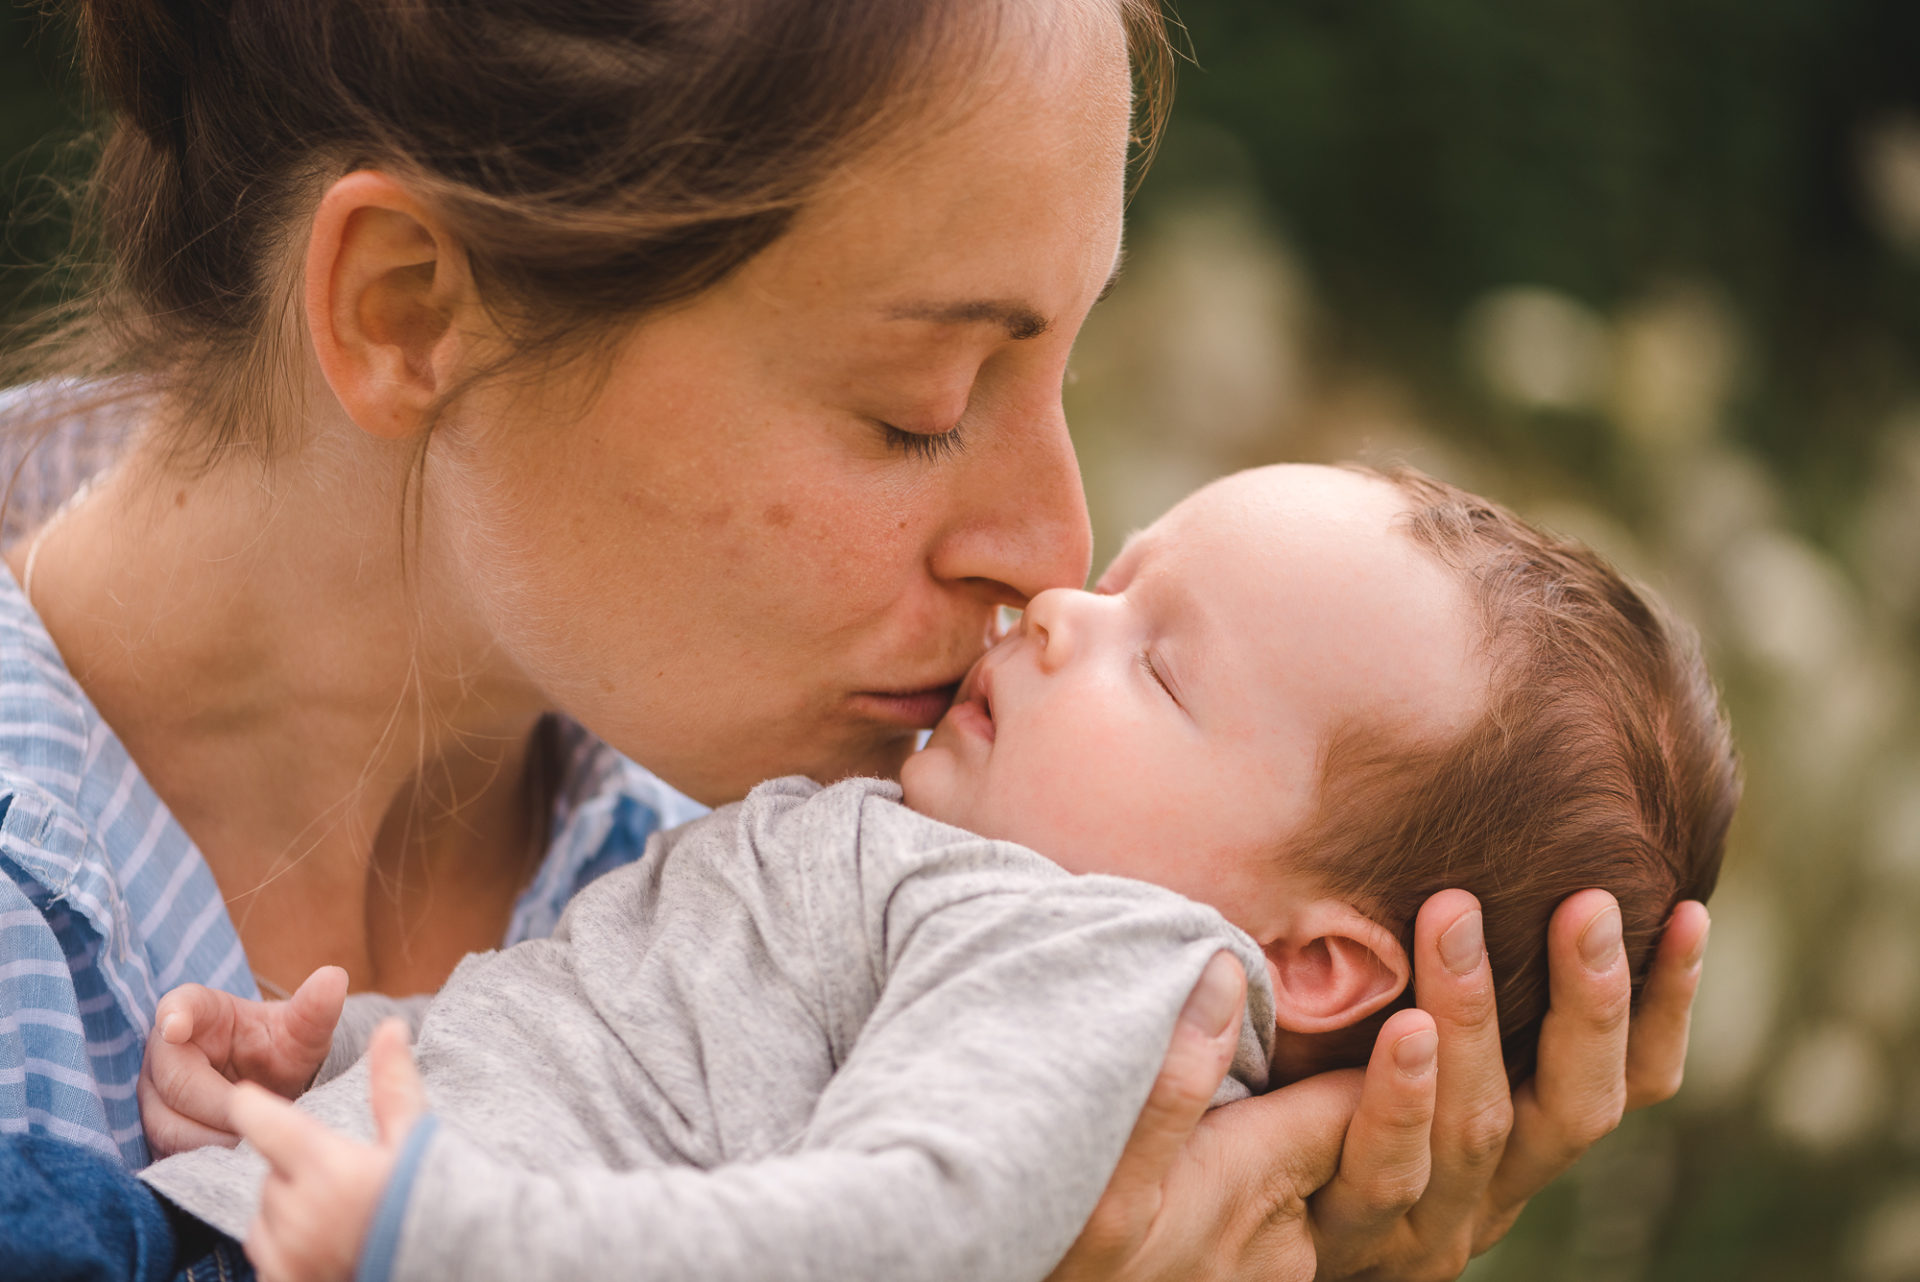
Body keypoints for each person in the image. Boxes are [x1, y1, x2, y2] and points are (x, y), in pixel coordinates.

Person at [0, 0, 1712, 1278]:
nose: (1051, 551)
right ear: (409, 309)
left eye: (1063, 369)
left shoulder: (811, 886)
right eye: (918, 408)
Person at [0, 463, 1734, 1282]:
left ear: (1318, 967)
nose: (1058, 600)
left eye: (1162, 664)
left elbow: (888, 1231)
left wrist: (444, 1226)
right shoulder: (932, 872)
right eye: (1125, 576)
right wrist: (315, 1076)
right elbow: (634, 1049)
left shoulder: (1102, 967)